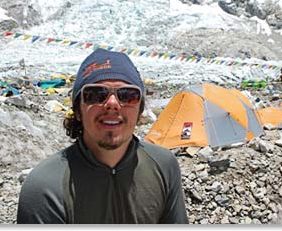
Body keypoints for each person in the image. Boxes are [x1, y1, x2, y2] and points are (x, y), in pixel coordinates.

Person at [17, 49, 189, 224]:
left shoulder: (163, 165)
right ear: (77, 110)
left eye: (128, 95)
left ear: (140, 110)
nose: (112, 104)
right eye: (96, 95)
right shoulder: (44, 187)